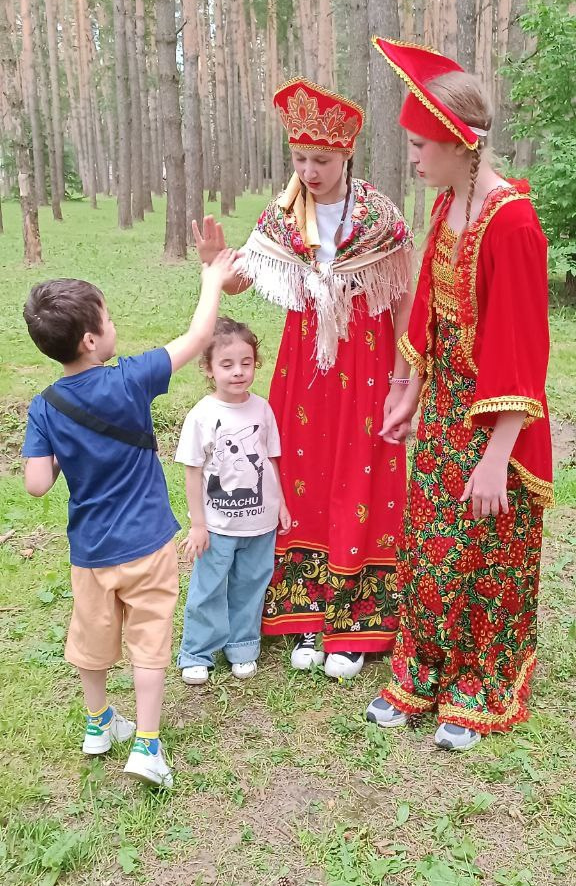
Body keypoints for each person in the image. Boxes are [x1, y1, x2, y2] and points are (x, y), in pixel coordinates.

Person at [366, 38, 553, 750]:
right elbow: (430, 310)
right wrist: (408, 389)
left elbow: (523, 352)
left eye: (420, 145)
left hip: (499, 422)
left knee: (489, 544)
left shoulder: (513, 224)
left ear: (457, 144)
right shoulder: (448, 204)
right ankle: (424, 664)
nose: (412, 159)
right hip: (446, 408)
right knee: (434, 540)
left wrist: (497, 456)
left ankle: (481, 675)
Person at [193, 79, 414, 679]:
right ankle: (304, 615)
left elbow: (402, 300)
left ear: (347, 156)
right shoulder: (285, 213)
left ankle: (356, 623)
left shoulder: (379, 216)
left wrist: (401, 378)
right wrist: (217, 264)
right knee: (302, 470)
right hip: (306, 367)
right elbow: (245, 277)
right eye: (300, 159)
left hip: (367, 362)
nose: (309, 171)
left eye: (321, 159)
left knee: (360, 468)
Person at [21, 253, 236, 788]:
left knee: (92, 640)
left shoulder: (44, 406)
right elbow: (198, 333)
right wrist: (211, 278)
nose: (114, 325)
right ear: (92, 339)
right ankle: (145, 745)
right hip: (147, 543)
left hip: (90, 553)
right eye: (109, 317)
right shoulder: (131, 380)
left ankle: (97, 725)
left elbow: (36, 483)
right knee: (149, 642)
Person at [175, 316, 291, 684]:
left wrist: (282, 504)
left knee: (251, 583)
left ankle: (242, 645)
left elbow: (272, 461)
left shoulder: (262, 409)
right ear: (208, 368)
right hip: (218, 526)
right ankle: (198, 652)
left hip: (260, 522)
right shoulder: (203, 416)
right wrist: (198, 524)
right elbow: (193, 471)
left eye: (246, 363)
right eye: (227, 364)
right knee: (209, 586)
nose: (238, 372)